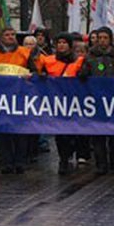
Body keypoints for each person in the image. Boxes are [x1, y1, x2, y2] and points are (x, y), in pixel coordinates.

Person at [79, 26, 114, 174]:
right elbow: (84, 70)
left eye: (105, 38)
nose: (102, 41)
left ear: (110, 39)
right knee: (98, 133)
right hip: (97, 99)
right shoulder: (91, 56)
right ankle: (101, 163)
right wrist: (83, 74)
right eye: (99, 38)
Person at [0, 27, 35, 174]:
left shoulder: (25, 52)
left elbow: (34, 71)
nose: (10, 37)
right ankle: (7, 162)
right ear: (0, 38)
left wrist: (31, 76)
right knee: (4, 131)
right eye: (7, 35)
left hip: (21, 96)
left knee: (21, 131)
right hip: (1, 97)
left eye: (13, 35)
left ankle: (20, 161)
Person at [37, 32, 84, 174]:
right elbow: (38, 73)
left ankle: (71, 151)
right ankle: (63, 159)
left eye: (64, 43)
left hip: (74, 101)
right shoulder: (48, 60)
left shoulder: (79, 61)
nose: (61, 45)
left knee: (72, 132)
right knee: (60, 132)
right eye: (59, 43)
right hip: (56, 101)